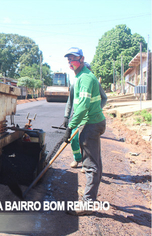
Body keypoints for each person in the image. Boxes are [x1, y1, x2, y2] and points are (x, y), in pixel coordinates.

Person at [62, 47, 106, 215]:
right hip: (92, 122)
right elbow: (76, 103)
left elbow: (82, 107)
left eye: (73, 58)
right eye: (68, 59)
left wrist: (71, 126)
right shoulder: (80, 77)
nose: (70, 62)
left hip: (91, 124)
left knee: (90, 165)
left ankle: (88, 204)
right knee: (95, 162)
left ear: (81, 59)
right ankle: (90, 195)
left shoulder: (86, 78)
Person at [63, 62, 107, 170]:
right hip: (77, 117)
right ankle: (77, 158)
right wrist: (66, 116)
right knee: (73, 140)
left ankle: (85, 163)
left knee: (85, 141)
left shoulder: (93, 82)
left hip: (88, 118)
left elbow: (104, 98)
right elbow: (70, 101)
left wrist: (97, 109)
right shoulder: (75, 83)